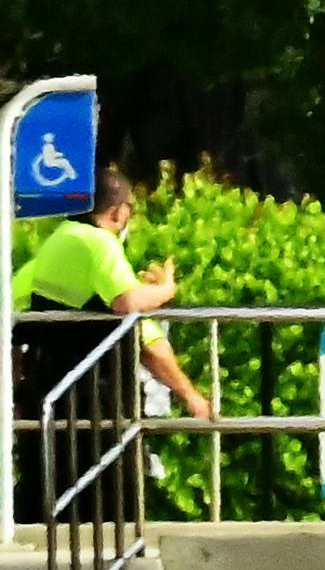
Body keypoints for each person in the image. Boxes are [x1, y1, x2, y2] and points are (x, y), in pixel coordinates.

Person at [12, 168, 217, 435]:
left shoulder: (57, 241)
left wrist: (16, 392)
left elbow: (16, 329)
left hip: (44, 400)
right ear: (119, 211)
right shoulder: (99, 243)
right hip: (94, 407)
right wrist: (166, 289)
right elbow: (131, 310)